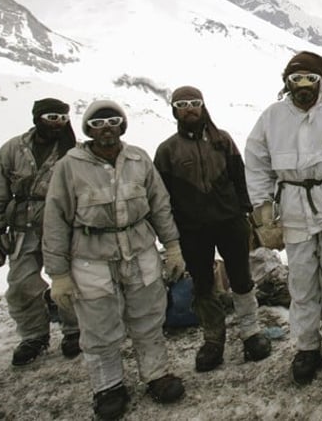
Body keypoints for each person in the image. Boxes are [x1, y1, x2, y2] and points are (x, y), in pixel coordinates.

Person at [43, 100, 188, 420]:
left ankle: (156, 375)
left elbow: (159, 204)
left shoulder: (138, 159)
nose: (106, 127)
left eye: (112, 120)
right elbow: (55, 219)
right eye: (98, 123)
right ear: (88, 129)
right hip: (91, 257)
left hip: (139, 250)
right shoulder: (70, 165)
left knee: (148, 318)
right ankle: (108, 386)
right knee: (98, 325)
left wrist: (173, 246)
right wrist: (59, 274)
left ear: (122, 125)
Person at [245, 51, 322, 385]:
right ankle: (307, 345)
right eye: (296, 80)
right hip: (292, 207)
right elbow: (257, 163)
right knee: (301, 278)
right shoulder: (271, 118)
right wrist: (262, 212)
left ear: (321, 81)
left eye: (310, 80)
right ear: (286, 83)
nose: (303, 87)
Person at [153, 86, 272, 372]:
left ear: (203, 106)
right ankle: (213, 340)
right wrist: (170, 235)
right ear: (174, 110)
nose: (190, 108)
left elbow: (240, 178)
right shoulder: (167, 151)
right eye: (183, 104)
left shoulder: (223, 140)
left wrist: (246, 213)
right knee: (203, 284)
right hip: (192, 230)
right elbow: (161, 196)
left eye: (195, 103)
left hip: (230, 222)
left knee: (242, 278)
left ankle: (250, 332)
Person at [0, 98, 81, 366]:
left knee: (69, 279)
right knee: (22, 285)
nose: (57, 122)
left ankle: (75, 330)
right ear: (37, 118)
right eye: (51, 116)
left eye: (62, 117)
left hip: (62, 225)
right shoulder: (14, 149)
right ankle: (34, 335)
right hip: (23, 227)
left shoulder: (74, 151)